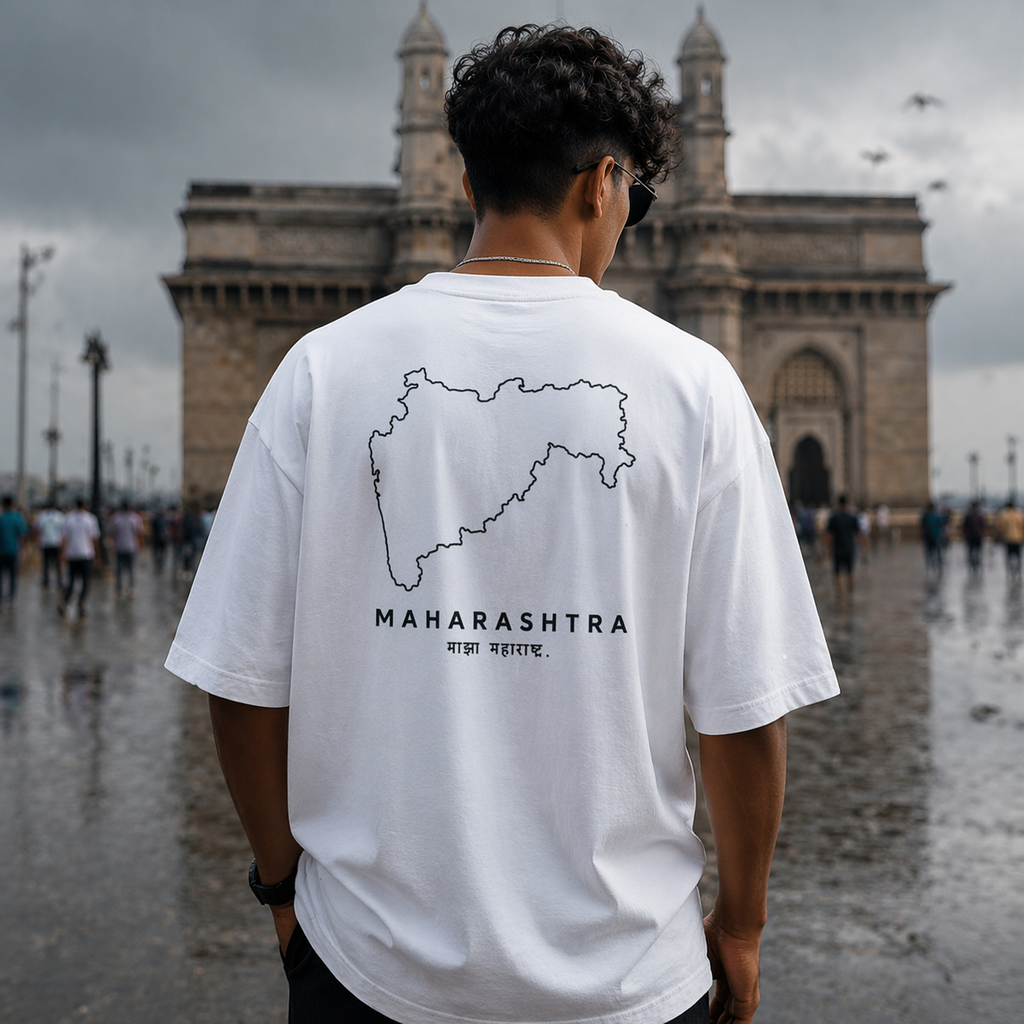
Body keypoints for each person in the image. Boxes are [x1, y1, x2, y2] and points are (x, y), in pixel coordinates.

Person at [166, 24, 839, 1024]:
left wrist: (285, 896)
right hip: (630, 983)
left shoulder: (322, 370)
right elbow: (742, 716)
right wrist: (738, 927)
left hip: (367, 972)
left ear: (470, 181)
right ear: (601, 183)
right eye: (635, 200)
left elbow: (241, 684)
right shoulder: (696, 386)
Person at [60, 498, 101, 616]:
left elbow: (64, 538)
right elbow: (94, 538)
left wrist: (63, 553)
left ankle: (64, 602)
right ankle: (82, 602)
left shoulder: (68, 517)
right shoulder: (90, 518)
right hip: (86, 554)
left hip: (72, 554)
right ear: (85, 505)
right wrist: (97, 556)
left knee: (71, 580)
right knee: (85, 581)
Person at [825, 494, 860, 600]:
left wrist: (828, 549)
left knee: (837, 572)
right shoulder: (852, 518)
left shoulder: (833, 518)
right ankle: (851, 593)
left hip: (837, 548)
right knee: (850, 572)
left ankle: (840, 593)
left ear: (838, 504)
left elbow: (829, 535)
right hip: (849, 548)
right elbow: (858, 534)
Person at [109, 500, 145, 597]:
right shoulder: (135, 518)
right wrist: (141, 546)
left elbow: (113, 534)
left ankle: (119, 590)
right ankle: (131, 589)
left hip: (120, 547)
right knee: (131, 569)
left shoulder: (116, 518)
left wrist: (112, 546)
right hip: (131, 547)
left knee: (120, 570)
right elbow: (139, 533)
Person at [0, 495, 28, 607]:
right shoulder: (17, 517)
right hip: (13, 551)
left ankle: (1, 597)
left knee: (1, 575)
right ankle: (11, 598)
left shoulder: (1, 518)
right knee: (12, 575)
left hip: (1, 551)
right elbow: (22, 534)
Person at [34, 499, 66, 589]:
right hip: (52, 542)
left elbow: (37, 529)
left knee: (51, 563)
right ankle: (52, 580)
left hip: (50, 542)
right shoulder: (59, 516)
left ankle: (51, 580)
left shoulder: (43, 515)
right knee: (51, 563)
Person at [996, 499, 1024, 578]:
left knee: (1008, 557)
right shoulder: (1020, 514)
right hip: (1018, 539)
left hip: (1008, 539)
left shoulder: (1004, 515)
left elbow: (1000, 528)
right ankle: (1018, 571)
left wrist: (998, 537)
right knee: (1018, 557)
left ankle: (1010, 572)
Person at [920, 501, 946, 575]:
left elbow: (922, 526)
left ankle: (931, 566)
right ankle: (937, 565)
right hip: (936, 536)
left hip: (929, 536)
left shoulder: (926, 516)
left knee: (929, 553)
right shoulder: (937, 516)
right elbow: (941, 525)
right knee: (936, 552)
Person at [962, 501, 986, 572]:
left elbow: (965, 526)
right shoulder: (980, 515)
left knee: (970, 551)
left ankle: (971, 565)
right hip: (978, 535)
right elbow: (983, 526)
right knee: (978, 551)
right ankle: (978, 564)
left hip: (970, 536)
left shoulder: (968, 515)